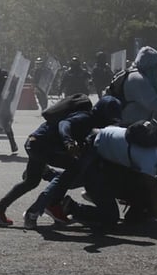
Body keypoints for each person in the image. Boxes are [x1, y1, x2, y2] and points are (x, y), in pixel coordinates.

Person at [22, 96, 123, 227]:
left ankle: (49, 179)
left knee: (71, 177)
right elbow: (64, 124)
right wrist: (68, 141)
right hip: (52, 149)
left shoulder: (93, 124)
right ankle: (35, 210)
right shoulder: (85, 118)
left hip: (84, 163)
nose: (109, 123)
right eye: (109, 119)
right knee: (68, 177)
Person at [119, 46, 157, 127]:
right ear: (150, 67)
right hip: (126, 127)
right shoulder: (137, 78)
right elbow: (155, 104)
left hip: (133, 125)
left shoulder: (138, 75)